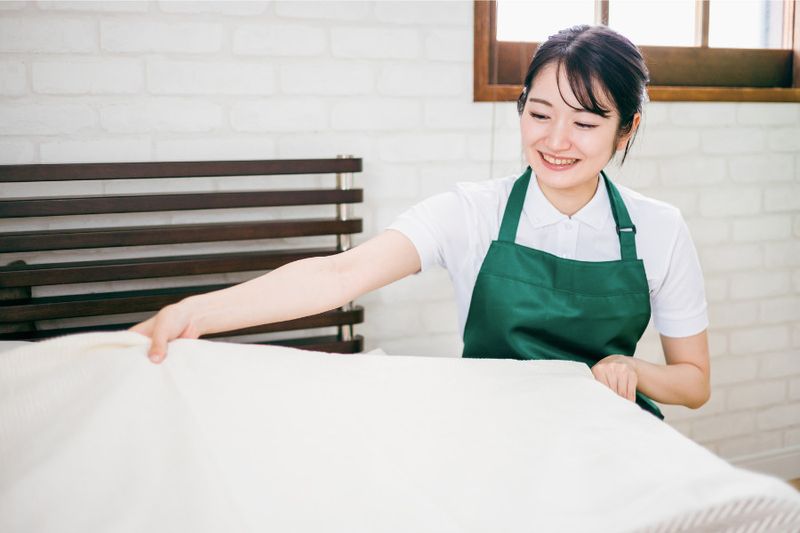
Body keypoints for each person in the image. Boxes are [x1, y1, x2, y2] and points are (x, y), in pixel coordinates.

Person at [132, 25, 710, 419]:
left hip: (611, 436)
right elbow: (339, 275)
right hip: (494, 432)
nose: (556, 141)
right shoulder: (471, 212)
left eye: (585, 124)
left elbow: (693, 382)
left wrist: (630, 368)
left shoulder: (659, 229)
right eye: (539, 114)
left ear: (626, 130)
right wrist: (192, 313)